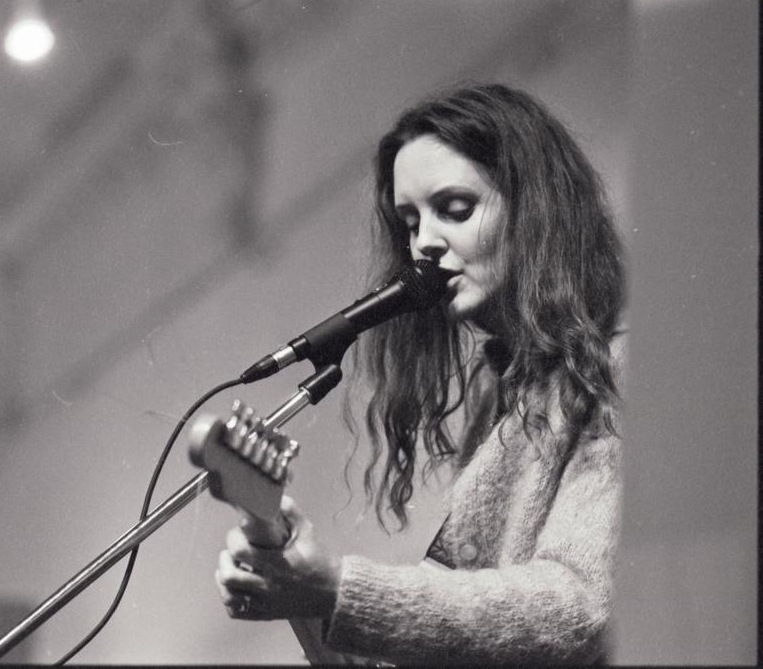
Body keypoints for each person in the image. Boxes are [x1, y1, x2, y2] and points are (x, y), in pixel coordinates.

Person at [214, 82, 626, 664]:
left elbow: (581, 609)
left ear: (537, 211)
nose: (423, 243)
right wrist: (301, 588)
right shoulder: (502, 395)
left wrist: (336, 587)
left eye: (455, 209)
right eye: (409, 221)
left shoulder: (620, 372)